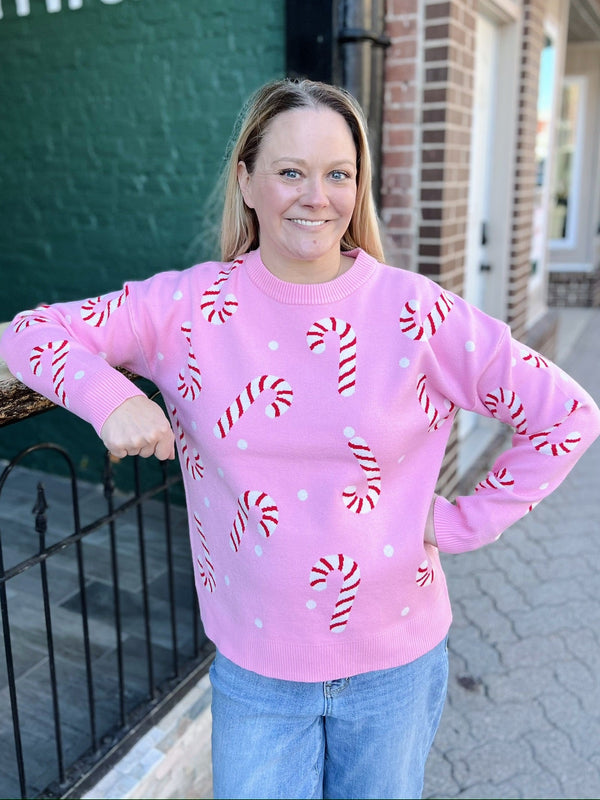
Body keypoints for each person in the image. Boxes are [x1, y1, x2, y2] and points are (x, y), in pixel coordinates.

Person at [1, 78, 599, 800]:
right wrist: (110, 399)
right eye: (290, 172)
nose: (317, 197)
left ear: (357, 186)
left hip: (396, 668)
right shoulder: (187, 308)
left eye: (337, 174)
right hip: (257, 673)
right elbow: (29, 332)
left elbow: (566, 414)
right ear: (247, 182)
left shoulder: (417, 313)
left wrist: (459, 522)